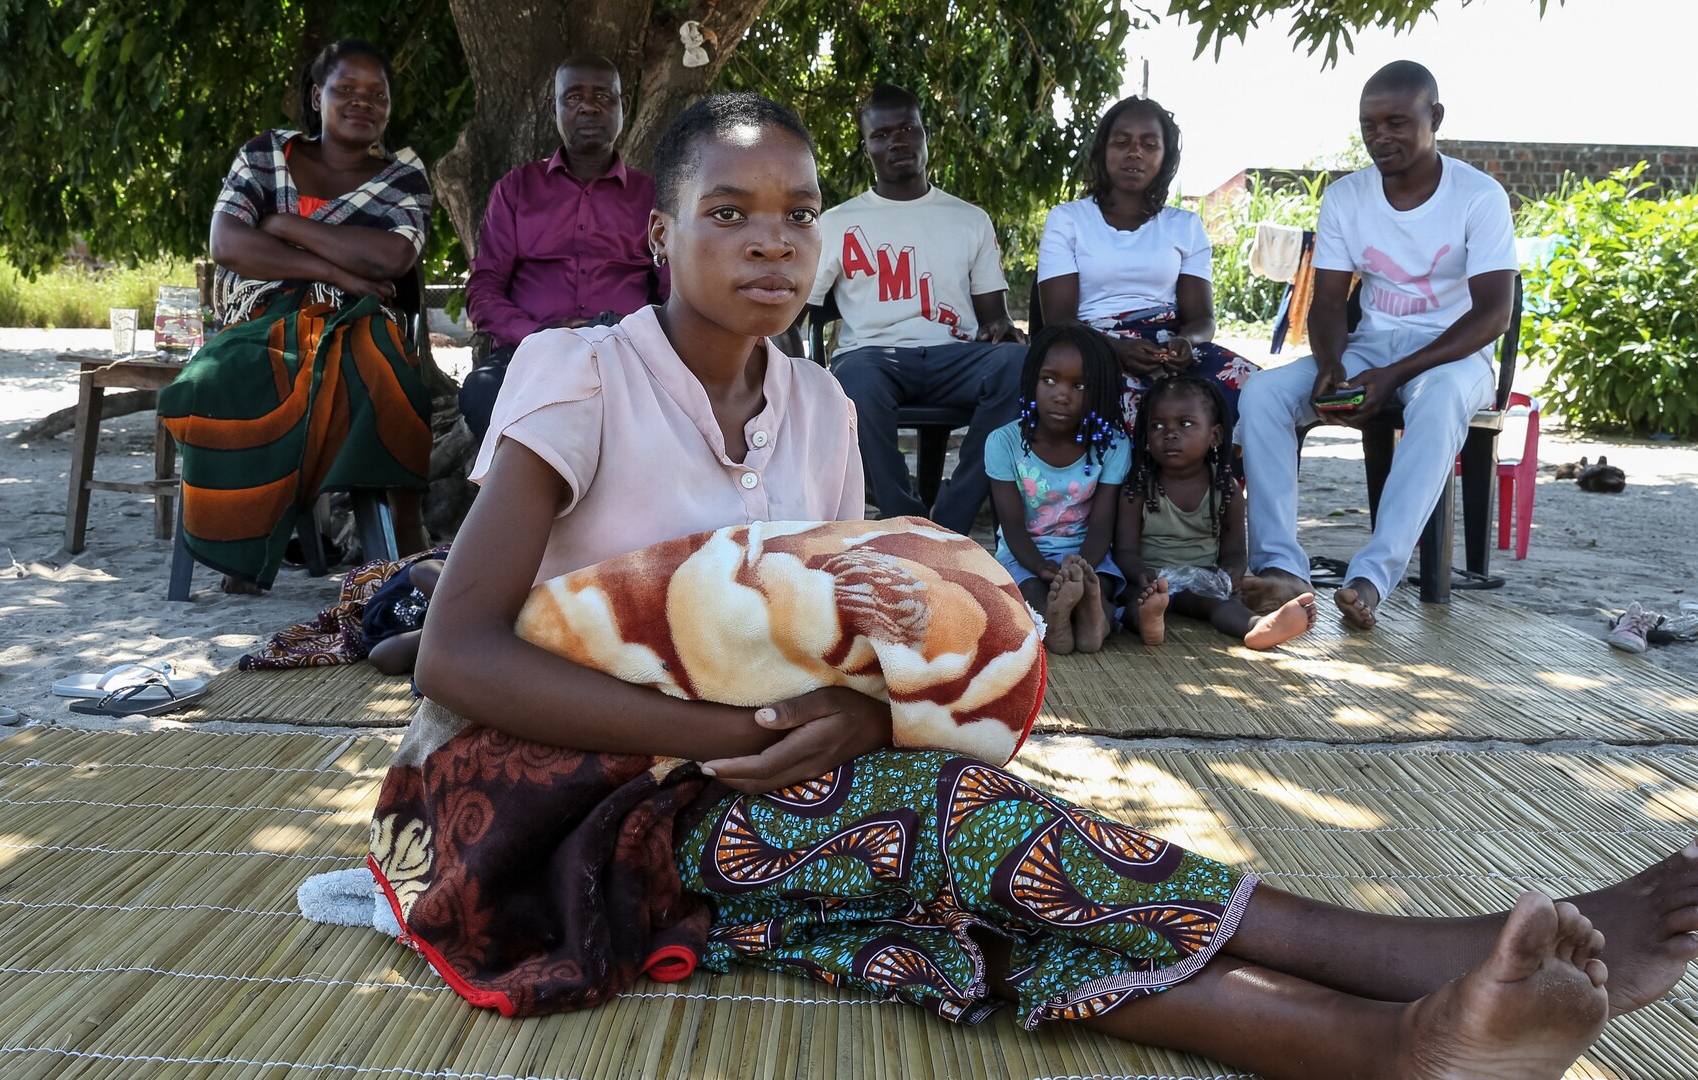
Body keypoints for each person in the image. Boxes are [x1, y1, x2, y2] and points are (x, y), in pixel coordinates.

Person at [397, 91, 1698, 1080]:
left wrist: (857, 713)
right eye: (728, 214)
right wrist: (733, 736)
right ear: (660, 231)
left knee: (970, 899)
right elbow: (457, 655)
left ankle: (1403, 1044)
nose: (772, 244)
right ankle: (1424, 959)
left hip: (754, 785)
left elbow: (841, 637)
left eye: (798, 215)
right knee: (960, 822)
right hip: (560, 812)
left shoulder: (822, 409)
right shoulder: (579, 372)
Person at [1237, 61, 1520, 630]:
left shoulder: (1478, 196)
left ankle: (1371, 577)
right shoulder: (1347, 197)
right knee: (1263, 393)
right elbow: (1327, 301)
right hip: (1368, 346)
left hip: (1453, 355)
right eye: (1369, 125)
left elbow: (1494, 313)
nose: (1380, 136)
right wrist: (1331, 364)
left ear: (1435, 117)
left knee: (1439, 401)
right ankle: (1282, 566)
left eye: (1396, 122)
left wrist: (1395, 374)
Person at [160, 39, 434, 595]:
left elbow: (392, 257)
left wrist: (285, 227)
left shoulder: (402, 177)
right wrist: (337, 269)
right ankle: (247, 540)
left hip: (360, 317)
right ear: (316, 96)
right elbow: (227, 243)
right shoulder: (264, 156)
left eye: (377, 94)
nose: (362, 102)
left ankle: (404, 526)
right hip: (260, 316)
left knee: (378, 372)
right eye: (345, 89)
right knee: (219, 377)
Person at [808, 84, 1027, 536]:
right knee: (853, 378)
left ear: (927, 135)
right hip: (872, 357)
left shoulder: (969, 219)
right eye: (881, 134)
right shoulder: (838, 222)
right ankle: (903, 521)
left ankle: (951, 520)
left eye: (908, 129)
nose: (897, 141)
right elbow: (800, 308)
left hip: (954, 358)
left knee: (1018, 363)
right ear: (867, 148)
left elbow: (994, 316)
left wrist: (1002, 328)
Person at [457, 53, 667, 441]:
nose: (588, 107)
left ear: (623, 106)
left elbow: (677, 289)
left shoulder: (653, 198)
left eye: (602, 96)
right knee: (483, 394)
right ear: (553, 108)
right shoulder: (516, 189)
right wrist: (536, 334)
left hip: (628, 351)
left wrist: (640, 336)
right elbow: (484, 289)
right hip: (530, 352)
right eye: (573, 97)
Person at [1036, 97, 1258, 431]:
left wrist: (1186, 343)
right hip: (1089, 344)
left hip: (1166, 348)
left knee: (1257, 391)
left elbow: (1202, 318)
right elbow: (1058, 320)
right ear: (1102, 150)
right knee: (1131, 405)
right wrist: (1117, 349)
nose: (1135, 152)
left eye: (1149, 144)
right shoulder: (1068, 220)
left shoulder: (1185, 226)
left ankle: (1226, 469)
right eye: (1121, 142)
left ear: (1165, 156)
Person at [1115, 375, 1317, 649]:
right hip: (1148, 582)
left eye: (1185, 424)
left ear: (1215, 436)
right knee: (1132, 601)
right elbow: (1124, 551)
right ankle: (1148, 621)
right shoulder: (1138, 487)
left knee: (1221, 604)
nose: (1170, 433)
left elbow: (1234, 551)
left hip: (1200, 583)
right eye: (1157, 425)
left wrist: (1232, 571)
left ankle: (1257, 626)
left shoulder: (1225, 489)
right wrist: (1142, 574)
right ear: (1146, 438)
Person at [984, 324, 1131, 656]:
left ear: (1100, 390)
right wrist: (1040, 567)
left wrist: (1081, 567)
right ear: (1031, 380)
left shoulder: (1112, 445)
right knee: (1030, 593)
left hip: (1088, 556)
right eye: (1049, 380)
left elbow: (1101, 526)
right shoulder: (1003, 443)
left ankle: (1094, 620)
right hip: (1024, 556)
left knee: (1101, 586)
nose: (1061, 395)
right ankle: (1058, 623)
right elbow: (1012, 526)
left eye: (1080, 385)